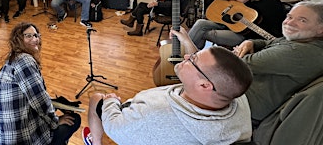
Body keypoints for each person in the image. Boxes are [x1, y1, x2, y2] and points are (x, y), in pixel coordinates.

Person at [175, 1, 323, 124]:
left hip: (245, 105)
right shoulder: (304, 42)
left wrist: (188, 43)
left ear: (320, 29)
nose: (290, 22)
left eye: (302, 20)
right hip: (244, 92)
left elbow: (228, 68)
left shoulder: (297, 53)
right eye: (289, 16)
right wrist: (251, 42)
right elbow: (271, 41)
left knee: (193, 75)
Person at [85, 45, 253, 145]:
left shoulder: (155, 113)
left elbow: (115, 129)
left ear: (204, 85)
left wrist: (110, 102)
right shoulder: (237, 96)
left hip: (126, 115)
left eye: (193, 59)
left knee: (96, 98)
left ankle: (96, 142)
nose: (186, 56)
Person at [0, 22, 81, 145]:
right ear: (18, 39)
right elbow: (39, 102)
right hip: (24, 139)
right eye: (28, 36)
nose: (35, 39)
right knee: (75, 119)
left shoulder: (11, 60)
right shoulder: (24, 60)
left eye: (36, 35)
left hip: (3, 138)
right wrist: (56, 121)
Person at [188, 0, 284, 49]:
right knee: (200, 23)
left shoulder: (272, 2)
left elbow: (272, 28)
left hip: (247, 36)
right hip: (229, 26)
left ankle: (191, 54)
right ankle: (188, 52)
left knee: (204, 33)